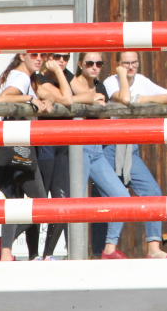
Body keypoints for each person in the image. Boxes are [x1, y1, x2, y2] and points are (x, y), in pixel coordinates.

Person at [102, 51, 167, 259]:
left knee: (152, 191)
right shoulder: (110, 81)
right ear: (117, 65)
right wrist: (122, 77)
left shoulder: (141, 81)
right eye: (125, 63)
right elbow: (124, 99)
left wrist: (144, 98)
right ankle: (108, 249)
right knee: (115, 197)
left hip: (130, 147)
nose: (130, 66)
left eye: (134, 62)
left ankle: (154, 248)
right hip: (110, 146)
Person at [0, 53, 61, 261]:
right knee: (40, 202)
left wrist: (45, 100)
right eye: (34, 54)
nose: (39, 59)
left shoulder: (22, 76)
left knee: (14, 200)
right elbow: (2, 99)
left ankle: (5, 253)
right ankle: (5, 245)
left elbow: (56, 96)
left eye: (42, 55)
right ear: (22, 55)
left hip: (10, 145)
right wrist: (31, 98)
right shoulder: (21, 78)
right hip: (19, 148)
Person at [34, 52, 103, 260]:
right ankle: (24, 249)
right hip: (45, 144)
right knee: (39, 201)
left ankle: (47, 254)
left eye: (66, 56)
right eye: (57, 56)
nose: (62, 61)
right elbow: (67, 98)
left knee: (62, 201)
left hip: (63, 144)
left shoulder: (67, 75)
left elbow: (91, 95)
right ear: (47, 57)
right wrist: (64, 91)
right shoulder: (39, 78)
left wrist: (63, 84)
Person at [70, 52, 133, 260]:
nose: (95, 66)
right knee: (75, 202)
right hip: (78, 148)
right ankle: (72, 254)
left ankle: (109, 249)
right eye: (89, 63)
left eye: (99, 63)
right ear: (80, 64)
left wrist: (122, 75)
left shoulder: (100, 86)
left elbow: (125, 99)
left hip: (97, 149)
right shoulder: (71, 83)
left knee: (122, 197)